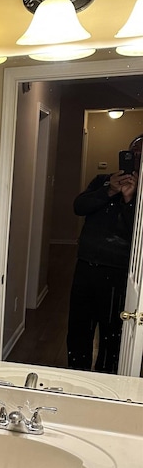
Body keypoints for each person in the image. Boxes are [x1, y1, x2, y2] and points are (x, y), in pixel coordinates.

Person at [66, 134, 141, 374]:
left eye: (141, 156)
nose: (136, 159)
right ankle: (75, 377)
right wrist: (109, 190)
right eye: (133, 154)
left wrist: (130, 199)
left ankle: (105, 384)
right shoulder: (103, 181)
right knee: (79, 329)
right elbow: (79, 207)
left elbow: (138, 234)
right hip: (86, 267)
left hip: (119, 273)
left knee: (112, 334)